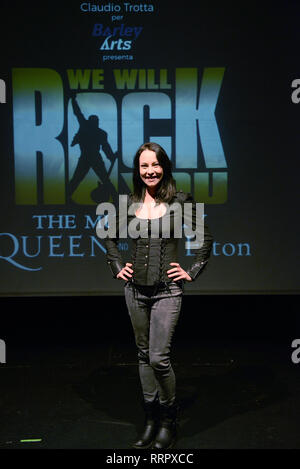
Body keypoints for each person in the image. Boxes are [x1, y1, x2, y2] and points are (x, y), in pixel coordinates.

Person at [104, 142, 213, 449]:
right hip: (135, 291)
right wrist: (116, 266)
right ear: (137, 171)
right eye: (143, 166)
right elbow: (107, 236)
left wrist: (192, 270)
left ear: (163, 166)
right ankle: (150, 419)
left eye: (155, 165)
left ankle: (168, 420)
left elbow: (205, 238)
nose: (150, 171)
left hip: (167, 290)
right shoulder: (129, 203)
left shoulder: (180, 201)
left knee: (158, 358)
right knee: (142, 355)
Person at [68, 94, 117, 201]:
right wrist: (73, 100)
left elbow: (106, 147)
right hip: (87, 158)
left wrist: (112, 156)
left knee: (103, 180)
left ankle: (116, 199)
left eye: (96, 122)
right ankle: (67, 197)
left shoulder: (97, 131)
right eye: (95, 121)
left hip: (92, 158)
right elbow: (78, 113)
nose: (96, 123)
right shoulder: (89, 128)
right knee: (78, 179)